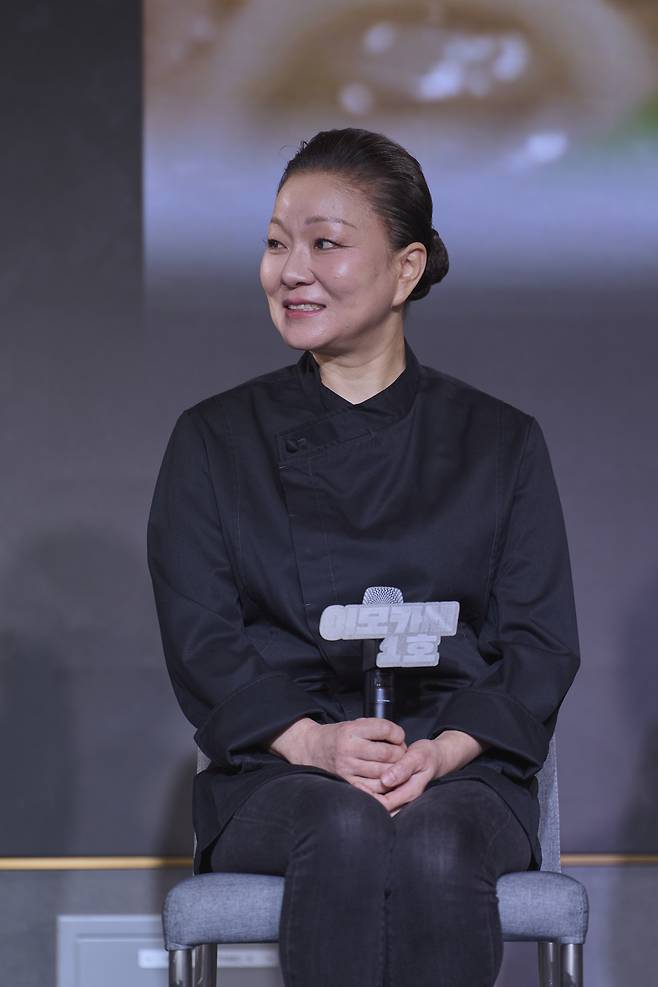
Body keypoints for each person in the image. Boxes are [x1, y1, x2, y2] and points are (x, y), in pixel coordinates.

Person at [147, 127, 581, 987]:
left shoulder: (499, 442)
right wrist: (312, 741)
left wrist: (448, 750)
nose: (291, 269)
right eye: (276, 243)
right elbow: (203, 638)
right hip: (278, 774)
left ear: (407, 269)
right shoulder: (214, 440)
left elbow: (539, 642)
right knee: (343, 823)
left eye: (326, 244)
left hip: (462, 768)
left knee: (435, 836)